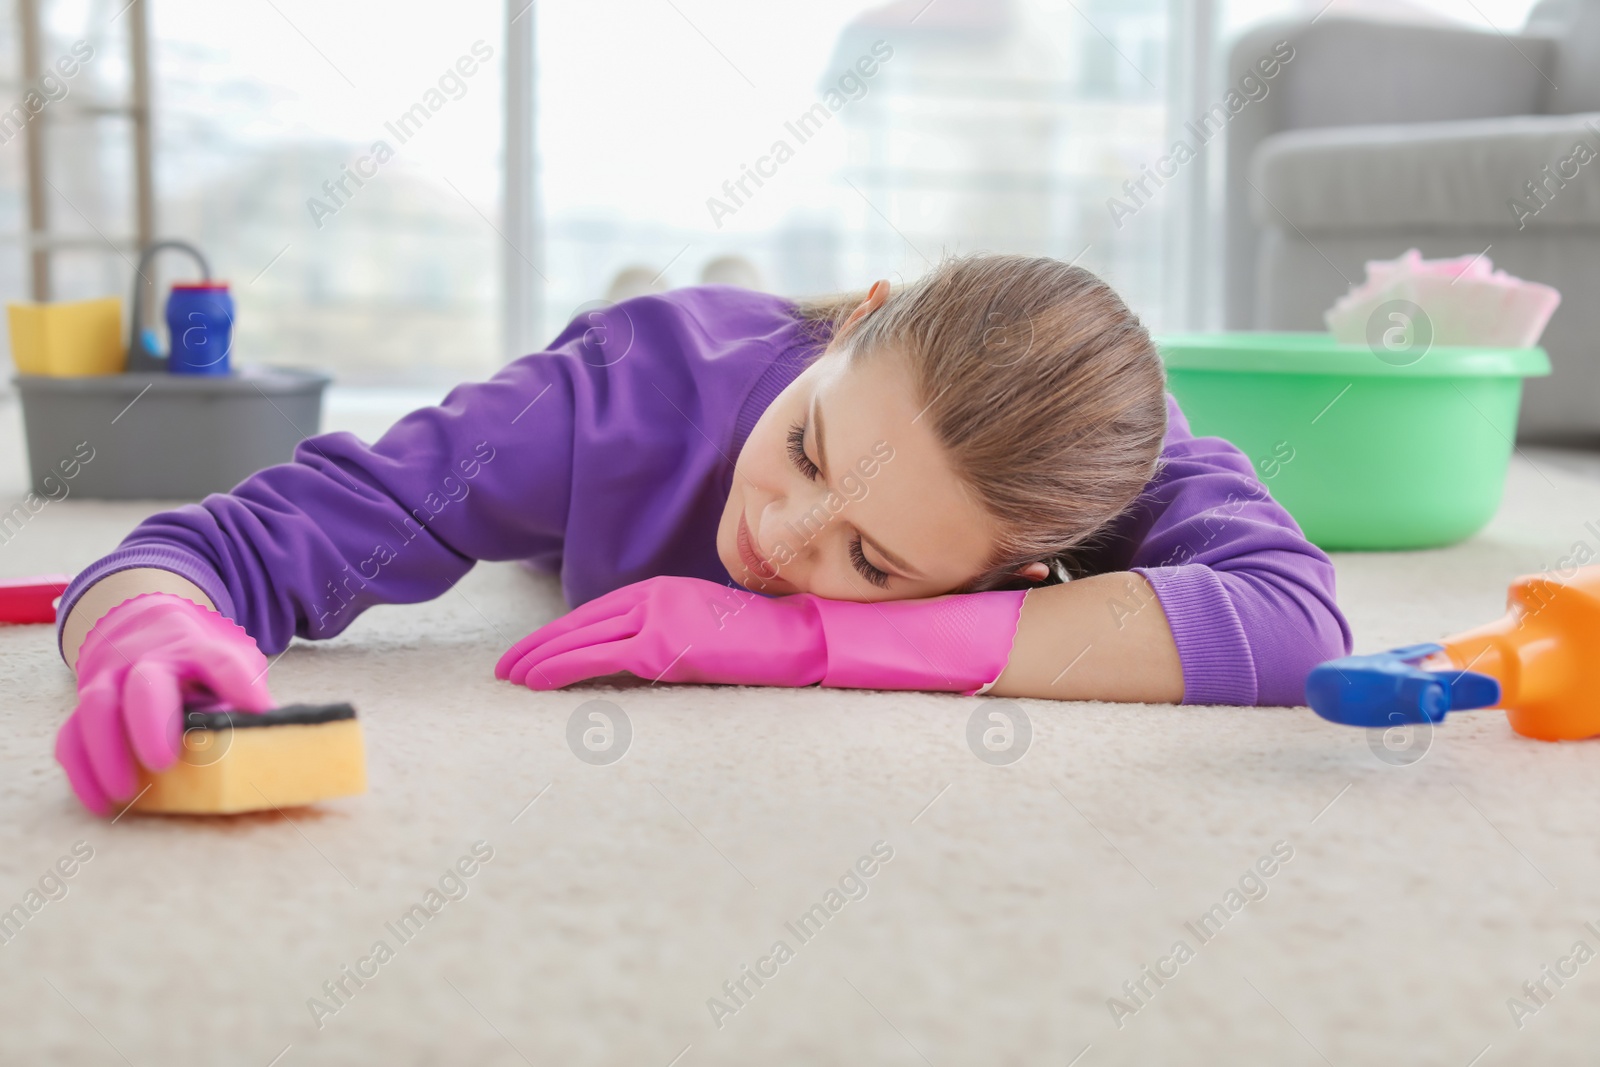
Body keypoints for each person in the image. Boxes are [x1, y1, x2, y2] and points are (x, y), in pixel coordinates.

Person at [54, 254, 1351, 815]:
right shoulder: (619, 396)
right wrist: (149, 622)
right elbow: (225, 546)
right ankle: (695, 296)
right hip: (662, 330)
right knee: (644, 307)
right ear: (861, 323)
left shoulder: (1110, 453)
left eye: (873, 564)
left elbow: (1299, 627)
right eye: (807, 450)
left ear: (1020, 566)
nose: (784, 538)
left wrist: (797, 642)